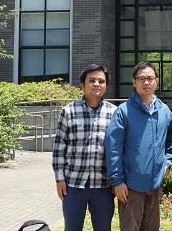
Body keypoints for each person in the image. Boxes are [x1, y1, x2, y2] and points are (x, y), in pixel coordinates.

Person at [104, 61, 172, 231]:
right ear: (134, 82)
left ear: (156, 81)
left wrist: (167, 162)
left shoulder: (164, 111)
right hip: (131, 186)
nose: (146, 82)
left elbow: (171, 140)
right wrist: (117, 181)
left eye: (150, 78)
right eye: (141, 78)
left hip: (155, 184)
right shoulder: (123, 111)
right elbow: (113, 147)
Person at [52, 64, 117, 231]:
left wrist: (117, 180)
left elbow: (118, 149)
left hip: (104, 185)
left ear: (106, 86)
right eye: (92, 80)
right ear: (82, 85)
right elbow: (59, 147)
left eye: (101, 81)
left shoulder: (114, 113)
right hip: (73, 185)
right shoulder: (68, 111)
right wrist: (59, 179)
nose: (96, 84)